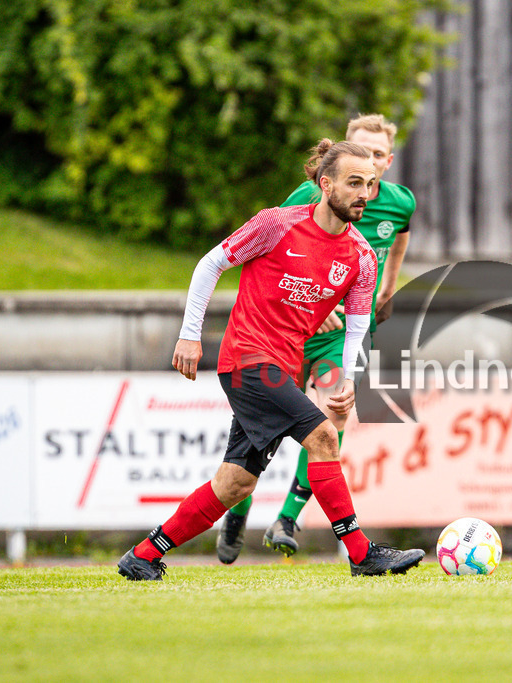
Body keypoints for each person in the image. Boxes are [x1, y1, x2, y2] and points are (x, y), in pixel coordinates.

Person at [117, 139, 424, 579]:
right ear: (325, 184)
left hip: (283, 367)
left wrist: (348, 382)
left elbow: (357, 327)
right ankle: (362, 554)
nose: (365, 193)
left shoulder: (360, 255)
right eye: (354, 183)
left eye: (371, 184)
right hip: (245, 359)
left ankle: (145, 555)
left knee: (234, 484)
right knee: (323, 437)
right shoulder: (277, 224)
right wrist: (190, 336)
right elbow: (210, 265)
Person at [215, 114, 414, 564]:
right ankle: (237, 506)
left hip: (338, 334)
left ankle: (288, 517)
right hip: (289, 333)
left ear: (389, 160)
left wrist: (388, 287)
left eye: (379, 155)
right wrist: (308, 301)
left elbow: (399, 240)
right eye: (360, 149)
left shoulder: (400, 203)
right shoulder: (313, 194)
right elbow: (280, 242)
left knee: (334, 415)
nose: (371, 161)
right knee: (258, 434)